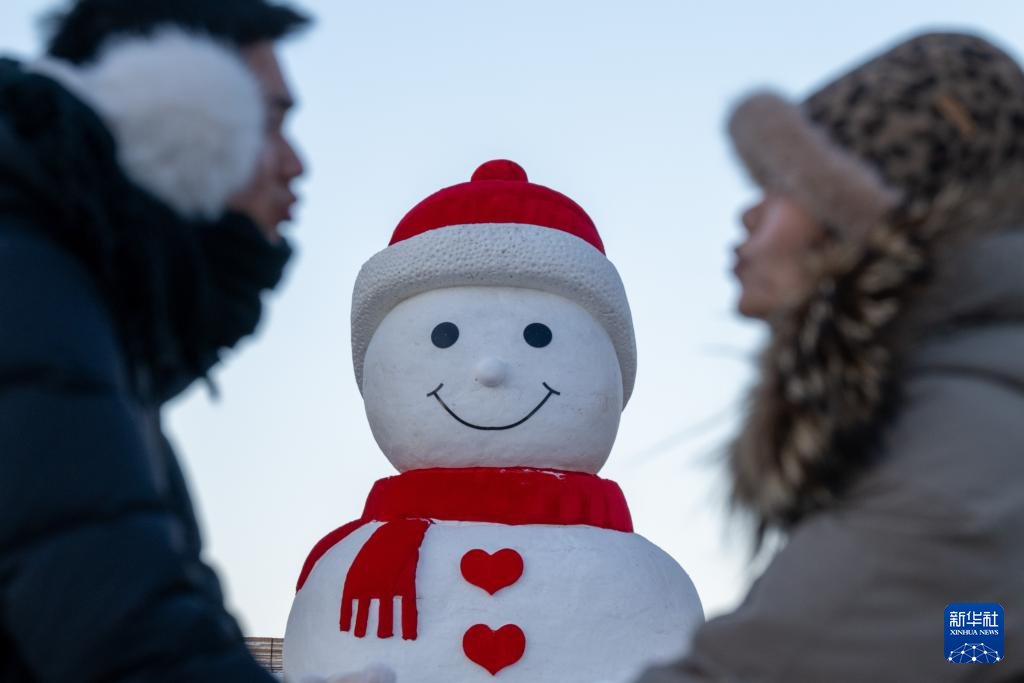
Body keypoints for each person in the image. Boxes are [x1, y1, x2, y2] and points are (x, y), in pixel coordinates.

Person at [638, 31, 1024, 682]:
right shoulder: (958, 401)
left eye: (784, 182)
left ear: (864, 212)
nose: (750, 213)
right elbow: (967, 645)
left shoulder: (959, 452)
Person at [0, 1, 319, 680]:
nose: (296, 164)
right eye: (269, 121)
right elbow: (120, 628)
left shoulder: (78, 300)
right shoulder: (25, 277)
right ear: (179, 113)